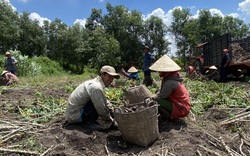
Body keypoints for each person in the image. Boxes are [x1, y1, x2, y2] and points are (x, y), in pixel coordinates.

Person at [64, 65, 120, 129]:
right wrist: (110, 121)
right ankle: (87, 123)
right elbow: (101, 108)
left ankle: (87, 120)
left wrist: (113, 113)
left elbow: (105, 101)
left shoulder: (96, 83)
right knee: (98, 103)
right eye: (109, 77)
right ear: (102, 74)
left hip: (73, 114)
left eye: (112, 78)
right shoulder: (96, 87)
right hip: (75, 116)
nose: (111, 80)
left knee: (100, 100)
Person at [150, 55, 191, 121]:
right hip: (183, 106)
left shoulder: (169, 82)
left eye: (160, 71)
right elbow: (161, 92)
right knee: (156, 95)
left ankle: (169, 117)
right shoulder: (174, 77)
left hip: (181, 108)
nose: (159, 72)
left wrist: (153, 97)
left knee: (154, 101)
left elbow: (162, 97)